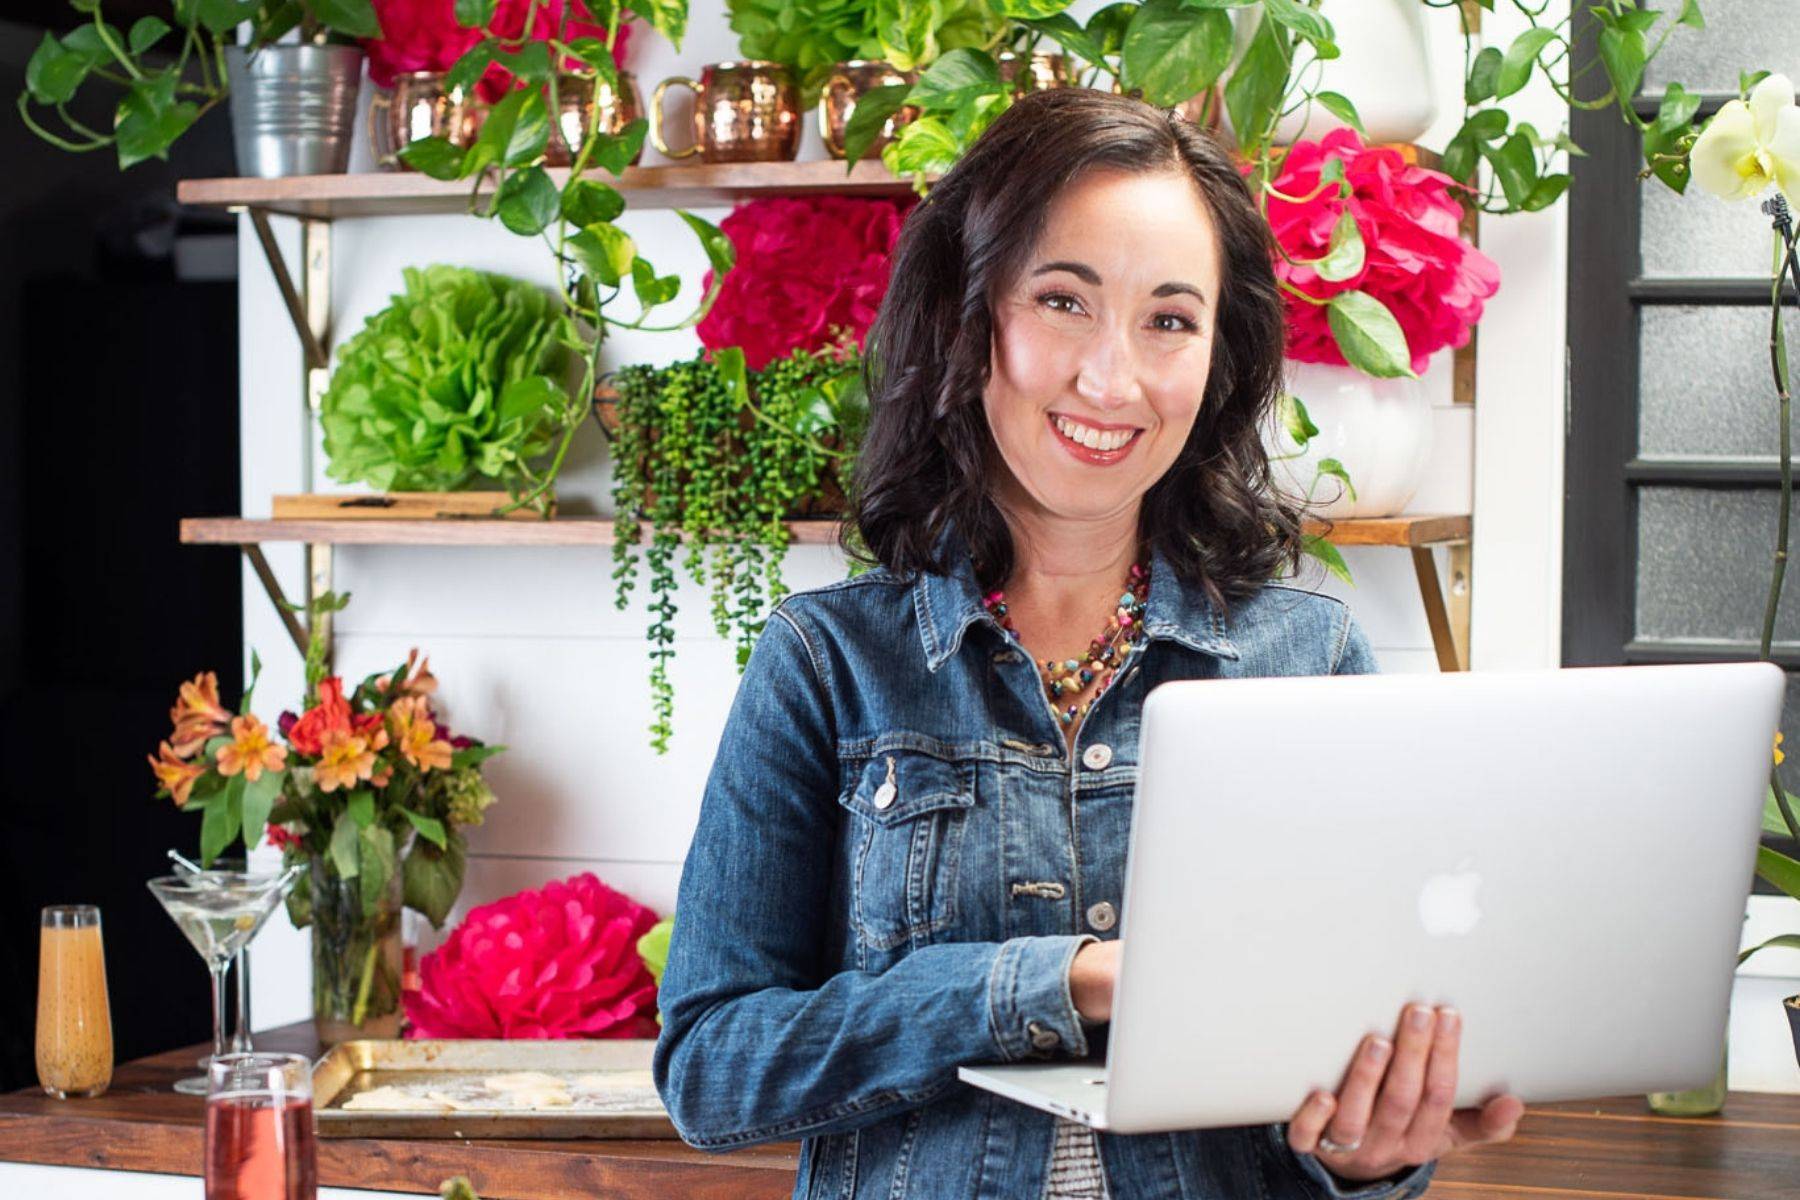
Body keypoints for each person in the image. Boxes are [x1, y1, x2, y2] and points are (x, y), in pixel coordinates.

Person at [651, 86, 1524, 1200]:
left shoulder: (1309, 661)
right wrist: (1057, 981)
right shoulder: (826, 663)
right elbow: (713, 1071)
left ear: (1218, 361)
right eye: (1065, 301)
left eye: (1170, 320)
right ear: (972, 326)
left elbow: (1333, 1082)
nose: (1113, 380)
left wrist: (1368, 1159)